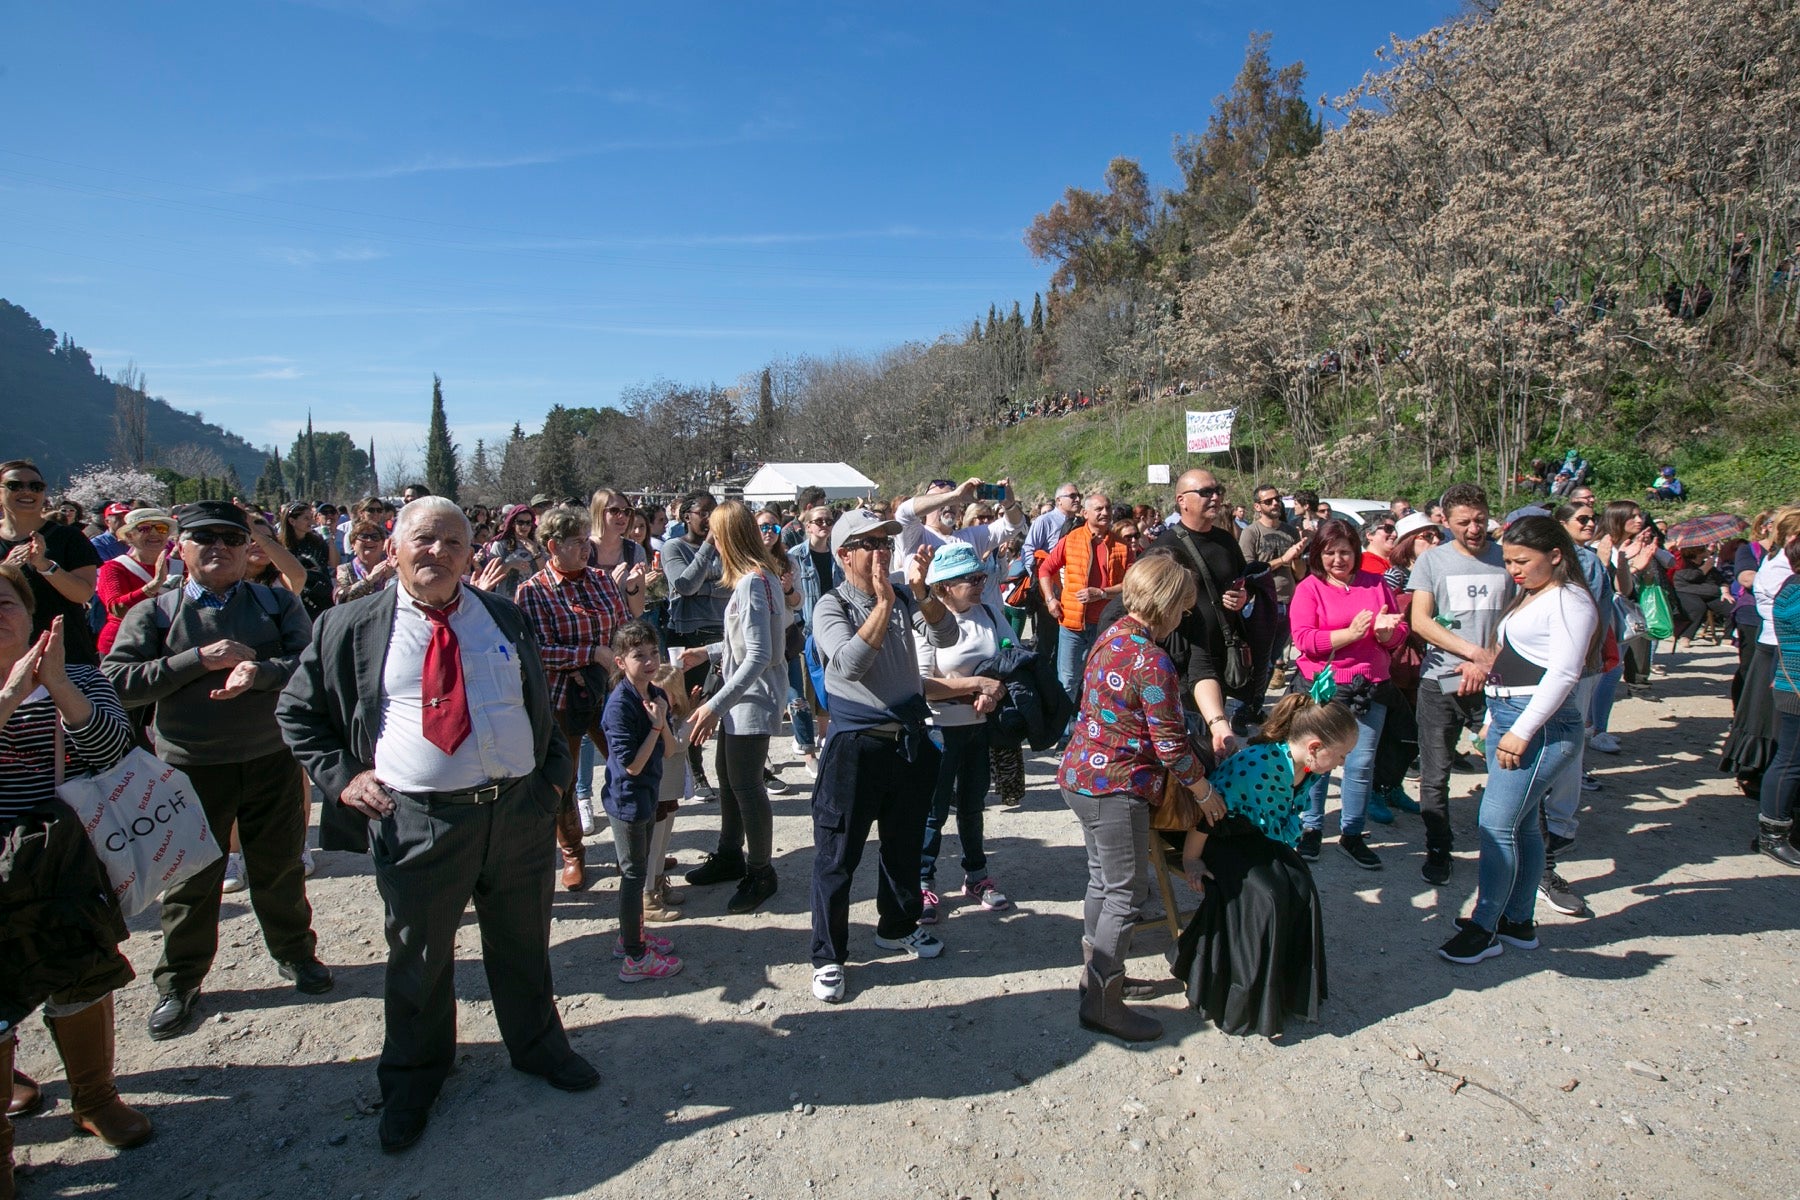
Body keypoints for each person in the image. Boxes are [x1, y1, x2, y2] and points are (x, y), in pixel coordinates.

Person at [276, 496, 594, 1153]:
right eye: (424, 540)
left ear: (470, 552)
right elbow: (297, 712)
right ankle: (415, 1079)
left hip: (516, 815)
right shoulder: (351, 626)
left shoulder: (503, 615)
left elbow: (539, 702)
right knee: (419, 959)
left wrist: (550, 783)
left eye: (453, 542)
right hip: (420, 822)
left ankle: (537, 1047)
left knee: (523, 943)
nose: (438, 553)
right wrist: (345, 779)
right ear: (393, 546)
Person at [101, 500, 331, 1040]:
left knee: (279, 867)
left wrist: (263, 670)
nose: (219, 548)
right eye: (204, 538)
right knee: (190, 880)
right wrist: (196, 661)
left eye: (230, 539)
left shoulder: (276, 603)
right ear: (180, 548)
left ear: (245, 547)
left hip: (270, 758)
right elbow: (116, 681)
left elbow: (313, 665)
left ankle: (296, 955)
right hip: (189, 768)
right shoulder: (155, 613)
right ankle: (180, 980)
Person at [0, 576, 152, 1190]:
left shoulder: (82, 675)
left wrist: (58, 685)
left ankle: (95, 1098)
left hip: (68, 857)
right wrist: (9, 696)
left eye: (5, 603)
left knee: (83, 973)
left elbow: (117, 752)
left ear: (30, 613)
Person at [1059, 554, 1229, 1042]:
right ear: (1167, 604)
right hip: (1115, 785)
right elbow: (1172, 744)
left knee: (1103, 882)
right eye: (1183, 607)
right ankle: (1102, 1003)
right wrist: (1205, 791)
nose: (1186, 616)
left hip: (1082, 777)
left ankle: (1095, 978)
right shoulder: (1150, 659)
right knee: (1125, 892)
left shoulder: (1110, 636)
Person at [806, 510, 961, 1004]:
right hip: (856, 746)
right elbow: (849, 665)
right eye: (868, 543)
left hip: (908, 741)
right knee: (837, 856)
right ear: (844, 553)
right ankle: (829, 956)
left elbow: (945, 637)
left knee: (903, 845)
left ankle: (897, 926)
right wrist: (887, 601)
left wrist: (921, 594)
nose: (881, 550)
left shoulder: (897, 594)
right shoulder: (831, 605)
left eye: (884, 541)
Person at [1439, 517, 1599, 964]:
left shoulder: (1570, 599)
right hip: (1513, 717)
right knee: (1523, 825)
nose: (1513, 569)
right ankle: (1517, 920)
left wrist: (1522, 730)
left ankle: (1485, 926)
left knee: (1496, 825)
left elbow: (1565, 672)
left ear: (1556, 555)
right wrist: (1496, 716)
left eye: (1522, 560)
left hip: (1539, 725)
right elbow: (1514, 661)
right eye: (1508, 561)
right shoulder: (1538, 595)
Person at [1171, 693, 1354, 1038]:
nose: (1343, 762)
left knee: (1301, 885)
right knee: (1265, 895)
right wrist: (1191, 860)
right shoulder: (1259, 766)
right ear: (1315, 746)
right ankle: (1234, 994)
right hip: (1218, 837)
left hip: (1257, 836)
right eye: (1341, 754)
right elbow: (1206, 816)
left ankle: (1288, 989)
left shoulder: (1308, 769)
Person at [670, 501, 788, 914]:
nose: (712, 545)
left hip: (750, 699)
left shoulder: (754, 583)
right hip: (742, 696)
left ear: (727, 539)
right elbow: (750, 646)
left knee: (747, 785)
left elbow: (759, 655)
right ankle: (729, 853)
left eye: (715, 537)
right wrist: (707, 651)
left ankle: (760, 871)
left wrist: (715, 706)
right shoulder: (758, 578)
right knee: (728, 774)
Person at [513, 505, 630, 891]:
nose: (585, 548)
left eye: (586, 540)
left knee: (627, 766)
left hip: (610, 692)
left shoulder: (600, 580)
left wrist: (607, 656)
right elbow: (536, 650)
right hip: (560, 700)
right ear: (552, 546)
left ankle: (633, 845)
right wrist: (587, 655)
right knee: (562, 778)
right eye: (576, 542)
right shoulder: (532, 592)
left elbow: (621, 629)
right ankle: (573, 854)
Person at [1287, 519, 1410, 867]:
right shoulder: (1309, 588)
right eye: (1329, 553)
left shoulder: (1376, 584)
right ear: (1318, 554)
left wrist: (1388, 635)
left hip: (1371, 684)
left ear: (1357, 552)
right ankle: (1311, 828)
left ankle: (1352, 833)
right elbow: (1305, 640)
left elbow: (1397, 631)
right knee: (1319, 762)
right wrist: (1351, 634)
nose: (1338, 560)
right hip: (1327, 686)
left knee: (1361, 762)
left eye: (1345, 552)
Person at [1406, 483, 1512, 885]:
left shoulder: (1507, 559)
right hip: (1443, 679)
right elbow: (1421, 621)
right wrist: (1473, 654)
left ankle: (1520, 851)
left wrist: (1491, 659)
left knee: (1511, 763)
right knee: (1436, 773)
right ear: (1445, 522)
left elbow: (1522, 617)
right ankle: (1438, 848)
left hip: (1499, 677)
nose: (1474, 529)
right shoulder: (1432, 561)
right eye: (1464, 522)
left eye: (1480, 520)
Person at [913, 542, 1012, 923]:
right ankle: (923, 881)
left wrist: (994, 690)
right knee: (933, 812)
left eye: (981, 576)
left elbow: (1011, 654)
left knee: (973, 806)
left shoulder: (988, 612)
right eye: (970, 579)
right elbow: (922, 684)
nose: (979, 584)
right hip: (940, 728)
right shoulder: (925, 622)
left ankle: (977, 875)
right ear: (943, 587)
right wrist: (976, 686)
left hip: (979, 727)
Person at [600, 620, 684, 979]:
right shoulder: (619, 706)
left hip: (648, 794)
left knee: (638, 868)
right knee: (633, 875)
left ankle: (630, 934)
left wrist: (662, 720)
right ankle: (634, 957)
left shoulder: (655, 695)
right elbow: (632, 765)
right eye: (639, 655)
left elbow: (669, 750)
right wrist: (653, 726)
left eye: (653, 653)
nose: (650, 661)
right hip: (627, 800)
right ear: (620, 662)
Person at [1151, 469, 1250, 759]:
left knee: (1215, 738)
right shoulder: (1165, 547)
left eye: (1217, 490)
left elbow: (1243, 581)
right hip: (1183, 661)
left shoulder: (1226, 541)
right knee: (1189, 740)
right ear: (1182, 500)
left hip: (1221, 654)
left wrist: (1243, 596)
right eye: (1205, 492)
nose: (1216, 497)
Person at [1723, 507, 1800, 798]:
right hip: (1777, 645)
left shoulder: (1780, 559)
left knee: (1769, 720)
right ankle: (1756, 775)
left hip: (1777, 642)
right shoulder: (1782, 564)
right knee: (1767, 721)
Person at [663, 490, 730, 799]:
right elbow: (686, 585)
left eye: (712, 512)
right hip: (688, 636)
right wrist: (707, 549)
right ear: (685, 515)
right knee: (692, 704)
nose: (709, 518)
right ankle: (696, 769)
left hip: (722, 631)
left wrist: (708, 587)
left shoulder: (725, 549)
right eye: (703, 512)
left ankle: (742, 768)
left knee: (726, 700)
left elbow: (731, 586)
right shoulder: (673, 547)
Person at [0, 460, 100, 667]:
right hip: (5, 660)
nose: (27, 491)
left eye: (36, 487)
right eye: (15, 485)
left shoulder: (70, 537)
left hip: (65, 656)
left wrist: (45, 565)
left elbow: (83, 594)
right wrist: (7, 571)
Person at [1038, 493, 1130, 715]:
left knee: (1100, 679)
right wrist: (1050, 599)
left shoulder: (1122, 546)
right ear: (1085, 514)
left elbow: (1131, 585)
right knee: (1068, 680)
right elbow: (1045, 569)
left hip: (1105, 625)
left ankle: (1091, 726)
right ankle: (1061, 730)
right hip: (1071, 623)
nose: (1105, 513)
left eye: (1107, 508)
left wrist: (1101, 593)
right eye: (1098, 509)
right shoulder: (1072, 539)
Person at [896, 477, 1026, 612]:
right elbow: (904, 512)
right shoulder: (914, 535)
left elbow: (1012, 526)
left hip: (969, 624)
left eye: (955, 501)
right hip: (928, 624)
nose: (950, 504)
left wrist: (1010, 505)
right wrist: (953, 496)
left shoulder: (970, 537)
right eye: (941, 498)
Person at [1756, 538, 1800, 867]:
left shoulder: (1790, 586)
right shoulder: (1795, 593)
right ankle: (1772, 834)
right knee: (1790, 760)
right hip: (1795, 687)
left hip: (1789, 684)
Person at [642, 662, 695, 922]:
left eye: (663, 694)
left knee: (662, 843)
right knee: (653, 844)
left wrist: (661, 723)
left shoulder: (680, 721)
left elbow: (675, 747)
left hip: (669, 789)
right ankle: (648, 894)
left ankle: (658, 882)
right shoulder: (650, 720)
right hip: (655, 790)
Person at [1239, 485, 1304, 694]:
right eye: (1268, 501)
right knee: (1259, 661)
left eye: (1277, 499)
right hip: (1262, 603)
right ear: (1258, 506)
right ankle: (1246, 706)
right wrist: (1282, 560)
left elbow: (1300, 573)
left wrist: (1295, 559)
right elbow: (1248, 570)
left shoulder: (1290, 531)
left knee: (1274, 660)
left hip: (1288, 601)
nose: (1275, 503)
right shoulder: (1251, 532)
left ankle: (1256, 705)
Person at [94, 507, 176, 656]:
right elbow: (117, 609)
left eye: (161, 528)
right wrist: (155, 584)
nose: (154, 533)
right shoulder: (114, 567)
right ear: (129, 536)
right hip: (123, 646)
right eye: (144, 528)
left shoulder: (180, 566)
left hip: (169, 645)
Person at [476, 504, 546, 602]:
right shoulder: (500, 544)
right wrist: (509, 565)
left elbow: (545, 572)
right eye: (520, 522)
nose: (524, 526)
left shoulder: (537, 544)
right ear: (513, 523)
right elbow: (491, 575)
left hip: (532, 598)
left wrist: (535, 552)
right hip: (507, 599)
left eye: (528, 523)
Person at [334, 519, 396, 604]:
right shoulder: (345, 569)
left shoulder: (395, 567)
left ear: (383, 544)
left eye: (375, 537)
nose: (369, 540)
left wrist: (391, 579)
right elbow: (340, 600)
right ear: (353, 544)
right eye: (364, 537)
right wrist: (369, 580)